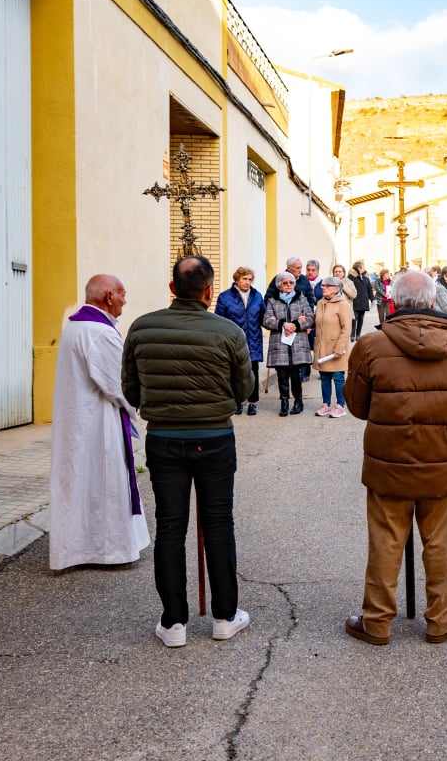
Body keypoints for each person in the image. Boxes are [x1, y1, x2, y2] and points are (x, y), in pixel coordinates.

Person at [122, 256, 255, 648]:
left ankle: (174, 622)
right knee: (218, 525)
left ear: (171, 288)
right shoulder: (229, 332)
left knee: (170, 527)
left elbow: (131, 389)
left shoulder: (142, 328)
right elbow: (244, 389)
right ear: (210, 291)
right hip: (214, 436)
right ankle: (225, 617)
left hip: (164, 438)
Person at [342, 271, 447, 644]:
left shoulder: (370, 345)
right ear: (434, 302)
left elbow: (356, 405)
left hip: (389, 461)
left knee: (386, 539)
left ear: (395, 302)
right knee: (439, 542)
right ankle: (440, 620)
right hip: (439, 459)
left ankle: (377, 622)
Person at [49, 274, 150, 570]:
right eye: (122, 294)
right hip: (98, 424)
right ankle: (108, 550)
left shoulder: (76, 325)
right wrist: (139, 403)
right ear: (108, 297)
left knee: (81, 482)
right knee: (104, 482)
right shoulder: (99, 332)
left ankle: (79, 546)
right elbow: (119, 383)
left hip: (79, 420)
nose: (124, 300)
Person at [262, 271, 315, 416]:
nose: (289, 285)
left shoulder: (301, 298)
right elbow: (266, 320)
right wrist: (282, 324)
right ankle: (284, 402)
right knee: (282, 375)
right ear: (279, 285)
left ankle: (298, 402)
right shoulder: (272, 300)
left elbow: (310, 318)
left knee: (296, 374)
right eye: (285, 283)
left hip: (297, 342)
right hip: (280, 343)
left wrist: (296, 325)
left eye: (291, 282)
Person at [215, 266, 265, 416]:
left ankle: (253, 402)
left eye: (250, 279)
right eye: (244, 279)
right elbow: (219, 320)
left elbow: (264, 317)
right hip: (233, 341)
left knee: (253, 371)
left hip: (253, 339)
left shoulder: (257, 296)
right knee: (235, 372)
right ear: (237, 279)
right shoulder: (225, 297)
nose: (247, 282)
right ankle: (237, 401)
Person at [313, 276, 353, 417]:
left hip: (336, 349)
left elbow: (346, 328)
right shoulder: (320, 303)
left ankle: (340, 406)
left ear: (336, 289)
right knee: (324, 377)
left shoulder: (343, 304)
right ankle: (326, 404)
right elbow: (316, 321)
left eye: (327, 286)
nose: (323, 287)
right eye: (323, 285)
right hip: (323, 348)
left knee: (338, 377)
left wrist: (339, 348)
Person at [347, 261, 374, 339]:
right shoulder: (351, 277)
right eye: (363, 267)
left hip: (364, 301)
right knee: (354, 318)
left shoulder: (365, 277)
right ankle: (352, 334)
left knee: (361, 319)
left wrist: (372, 298)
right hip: (354, 300)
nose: (364, 269)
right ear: (359, 268)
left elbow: (369, 288)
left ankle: (358, 334)